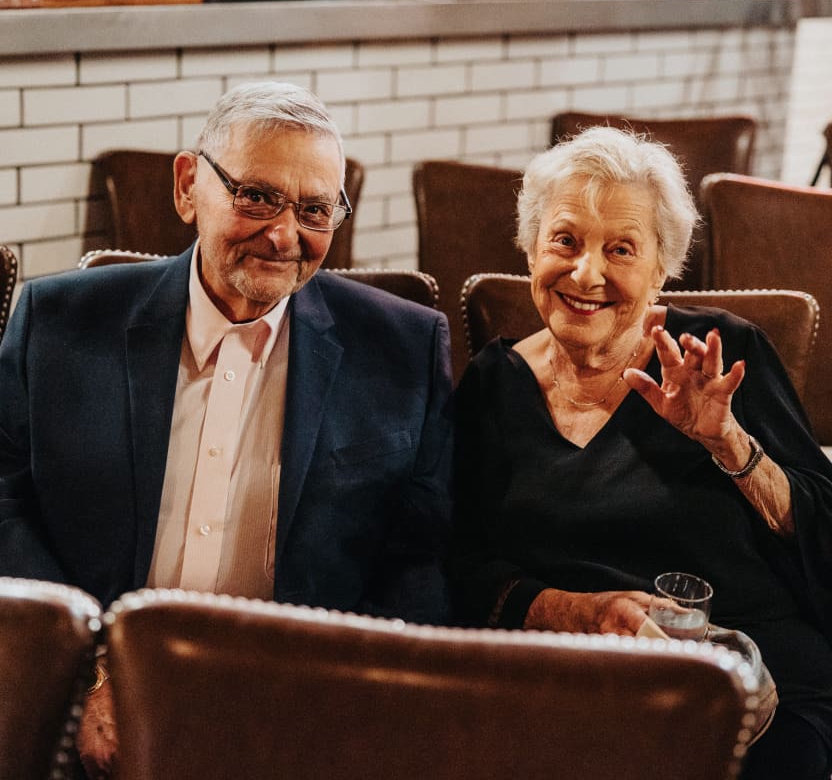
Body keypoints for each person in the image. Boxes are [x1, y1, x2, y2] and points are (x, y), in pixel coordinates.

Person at [0, 81, 453, 777]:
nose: (283, 234)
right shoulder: (58, 325)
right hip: (95, 699)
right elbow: (6, 501)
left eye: (313, 209)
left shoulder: (402, 348)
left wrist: (346, 707)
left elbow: (420, 558)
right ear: (189, 187)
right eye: (257, 196)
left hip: (304, 714)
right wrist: (86, 671)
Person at [451, 126, 832, 780]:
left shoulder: (722, 353)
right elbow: (453, 560)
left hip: (754, 682)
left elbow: (824, 531)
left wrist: (729, 444)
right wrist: (571, 610)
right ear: (530, 246)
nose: (586, 272)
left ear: (662, 266)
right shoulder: (491, 383)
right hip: (575, 687)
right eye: (564, 240)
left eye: (621, 248)